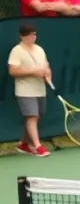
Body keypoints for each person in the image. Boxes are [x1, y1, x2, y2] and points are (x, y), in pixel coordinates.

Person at [8, 23, 52, 157]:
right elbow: (12, 70)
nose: (33, 37)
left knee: (37, 116)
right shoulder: (17, 50)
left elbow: (46, 67)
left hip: (40, 89)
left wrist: (48, 76)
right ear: (22, 36)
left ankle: (24, 144)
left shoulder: (40, 49)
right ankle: (38, 146)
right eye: (29, 34)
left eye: (34, 34)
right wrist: (33, 72)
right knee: (32, 117)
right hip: (24, 90)